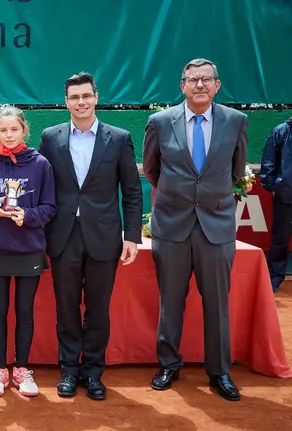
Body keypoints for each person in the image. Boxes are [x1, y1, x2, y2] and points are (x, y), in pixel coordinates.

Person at [143, 58, 247, 401]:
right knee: (170, 301)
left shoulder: (236, 121)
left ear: (217, 85)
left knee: (218, 303)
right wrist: (180, 197)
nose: (199, 84)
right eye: (192, 79)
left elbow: (234, 172)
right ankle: (169, 364)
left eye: (206, 79)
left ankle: (219, 372)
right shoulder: (159, 122)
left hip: (216, 228)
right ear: (182, 85)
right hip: (171, 226)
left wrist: (206, 197)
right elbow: (152, 169)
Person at [39, 73, 143, 400]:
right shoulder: (50, 137)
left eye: (86, 95)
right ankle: (69, 371)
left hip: (105, 236)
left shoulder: (120, 137)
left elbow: (132, 190)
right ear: (66, 101)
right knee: (67, 308)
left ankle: (94, 373)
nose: (80, 102)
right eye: (74, 97)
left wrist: (132, 236)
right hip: (63, 235)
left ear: (96, 97)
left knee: (98, 309)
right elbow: (41, 187)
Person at [0, 105, 57, 398]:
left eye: (14, 129)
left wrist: (28, 216)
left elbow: (49, 207)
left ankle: (22, 369)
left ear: (25, 130)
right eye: (3, 130)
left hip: (30, 249)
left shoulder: (40, 164)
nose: (9, 135)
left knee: (24, 311)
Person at [259, 117, 292, 292]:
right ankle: (274, 279)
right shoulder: (281, 131)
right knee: (280, 240)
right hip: (286, 195)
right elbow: (268, 160)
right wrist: (271, 185)